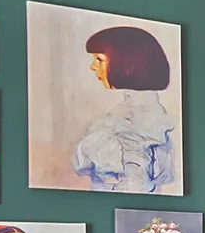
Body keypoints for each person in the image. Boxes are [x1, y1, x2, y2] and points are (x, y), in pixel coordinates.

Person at [72, 26, 177, 193]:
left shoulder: (136, 118)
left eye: (99, 59)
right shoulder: (130, 111)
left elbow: (135, 184)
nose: (93, 67)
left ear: (126, 63)